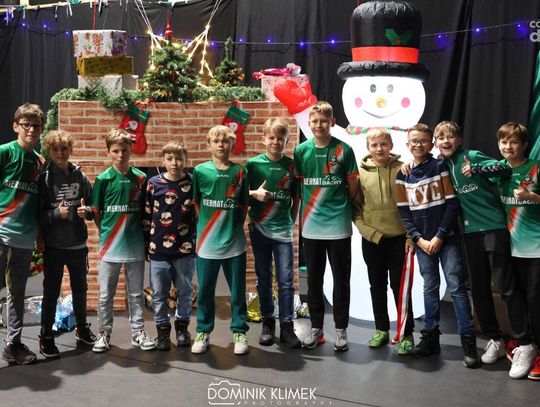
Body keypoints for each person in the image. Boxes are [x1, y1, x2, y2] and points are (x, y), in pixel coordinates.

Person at [433, 121, 525, 366]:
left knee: (505, 287)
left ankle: (524, 343)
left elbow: (504, 168)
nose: (445, 141)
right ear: (436, 143)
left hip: (494, 228)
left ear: (459, 140)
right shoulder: (442, 166)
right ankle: (495, 339)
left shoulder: (471, 156)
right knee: (479, 288)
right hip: (469, 233)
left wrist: (477, 168)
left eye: (450, 136)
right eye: (440, 137)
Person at [395, 123, 480, 368]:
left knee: (456, 287)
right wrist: (419, 239)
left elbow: (452, 204)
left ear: (431, 144)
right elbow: (404, 212)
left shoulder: (440, 167)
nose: (418, 144)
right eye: (414, 141)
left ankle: (468, 343)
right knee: (429, 288)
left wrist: (439, 236)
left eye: (423, 140)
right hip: (422, 243)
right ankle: (431, 338)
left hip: (446, 239)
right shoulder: (403, 174)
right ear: (408, 144)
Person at [293, 101, 358, 351]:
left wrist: (340, 206)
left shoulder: (344, 150)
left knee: (341, 280)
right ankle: (316, 328)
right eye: (315, 121)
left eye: (324, 121)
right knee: (314, 281)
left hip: (339, 226)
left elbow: (353, 187)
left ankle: (341, 330)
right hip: (311, 226)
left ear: (333, 122)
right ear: (309, 123)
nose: (319, 125)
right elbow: (300, 186)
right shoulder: (301, 151)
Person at [91, 129, 155, 353]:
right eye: (116, 151)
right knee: (105, 294)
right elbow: (96, 211)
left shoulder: (140, 178)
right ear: (108, 152)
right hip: (110, 246)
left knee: (136, 293)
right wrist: (108, 233)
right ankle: (103, 333)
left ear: (131, 150)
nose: (120, 155)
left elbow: (145, 211)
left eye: (124, 150)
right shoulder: (103, 179)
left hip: (134, 245)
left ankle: (138, 332)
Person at [352, 128, 414, 355]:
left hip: (400, 240)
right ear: (368, 147)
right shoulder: (359, 173)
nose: (379, 149)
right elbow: (355, 209)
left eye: (383, 144)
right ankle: (381, 329)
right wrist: (370, 233)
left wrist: (411, 236)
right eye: (374, 145)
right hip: (373, 241)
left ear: (391, 146)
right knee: (377, 286)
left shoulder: (404, 169)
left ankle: (406, 333)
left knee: (400, 288)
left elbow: (413, 206)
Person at [190, 125, 250, 355]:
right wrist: (209, 227)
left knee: (237, 291)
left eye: (225, 141)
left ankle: (239, 331)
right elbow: (196, 202)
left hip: (234, 243)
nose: (221, 145)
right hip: (207, 243)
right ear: (209, 145)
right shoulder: (200, 171)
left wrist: (232, 227)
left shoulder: (240, 172)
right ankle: (203, 331)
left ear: (232, 144)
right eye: (216, 141)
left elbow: (243, 205)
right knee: (205, 291)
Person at [37, 130, 96, 358]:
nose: (60, 153)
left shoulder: (80, 176)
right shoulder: (44, 179)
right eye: (55, 149)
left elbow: (93, 207)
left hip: (77, 246)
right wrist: (55, 214)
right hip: (54, 247)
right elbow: (37, 215)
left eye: (64, 148)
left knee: (80, 290)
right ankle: (46, 335)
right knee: (51, 292)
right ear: (49, 151)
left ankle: (82, 329)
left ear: (70, 149)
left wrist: (86, 211)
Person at [246, 118, 301, 348]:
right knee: (264, 278)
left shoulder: (292, 166)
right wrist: (254, 194)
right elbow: (240, 193)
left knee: (286, 281)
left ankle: (287, 326)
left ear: (287, 141)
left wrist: (292, 222)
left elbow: (297, 197)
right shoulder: (252, 165)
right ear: (263, 139)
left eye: (281, 138)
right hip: (259, 229)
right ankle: (268, 322)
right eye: (271, 137)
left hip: (283, 232)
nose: (275, 142)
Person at [492, 122, 539, 380]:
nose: (508, 147)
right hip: (507, 248)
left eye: (514, 142)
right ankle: (525, 345)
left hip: (536, 247)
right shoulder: (496, 170)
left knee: (535, 299)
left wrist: (533, 198)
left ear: (524, 145)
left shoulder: (536, 168)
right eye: (504, 142)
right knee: (515, 298)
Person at [0, 103, 45, 365]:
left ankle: (12, 344)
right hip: (1, 232)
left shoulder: (40, 162)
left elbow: (38, 203)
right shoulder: (5, 152)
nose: (31, 129)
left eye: (36, 125)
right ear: (15, 126)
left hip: (25, 237)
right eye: (26, 124)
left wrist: (39, 235)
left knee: (16, 293)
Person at [144, 142, 196, 351]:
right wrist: (146, 245)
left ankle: (182, 329)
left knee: (185, 291)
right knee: (159, 293)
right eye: (170, 159)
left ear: (186, 160)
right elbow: (146, 215)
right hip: (158, 249)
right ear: (163, 160)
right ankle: (162, 331)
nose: (175, 163)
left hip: (184, 249)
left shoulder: (192, 183)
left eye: (179, 158)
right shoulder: (153, 183)